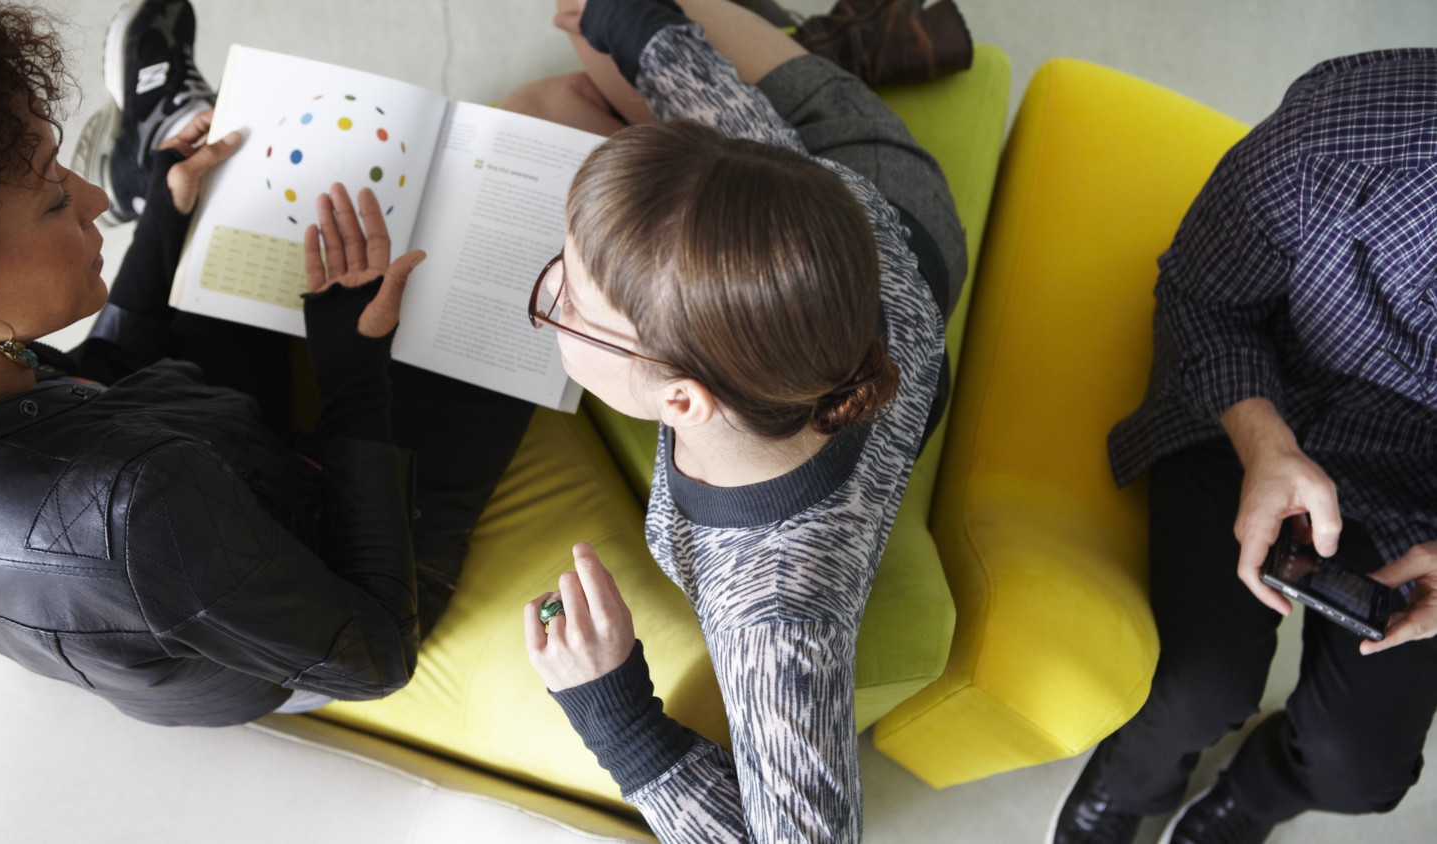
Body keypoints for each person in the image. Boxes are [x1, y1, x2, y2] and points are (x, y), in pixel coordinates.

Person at [0, 0, 532, 726]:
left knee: (229, 194)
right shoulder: (139, 509)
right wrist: (351, 375)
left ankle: (157, 159)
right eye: (57, 197)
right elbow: (377, 655)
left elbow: (98, 378)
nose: (89, 199)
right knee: (526, 224)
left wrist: (162, 218)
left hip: (209, 468)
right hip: (342, 583)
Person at [511, 0, 968, 840]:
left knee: (543, 107)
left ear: (684, 399)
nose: (548, 299)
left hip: (869, 195)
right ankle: (811, 40)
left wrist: (618, 718)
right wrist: (637, 22)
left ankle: (827, 37)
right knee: (587, 34)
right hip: (855, 175)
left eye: (567, 305)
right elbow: (718, 131)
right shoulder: (796, 202)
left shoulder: (778, 622)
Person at [1051, 49, 1437, 844]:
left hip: (1420, 495)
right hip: (1254, 405)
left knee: (1359, 770)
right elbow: (1199, 294)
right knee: (1194, 686)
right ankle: (1132, 781)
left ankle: (1256, 796)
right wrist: (1263, 439)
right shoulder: (1345, 135)